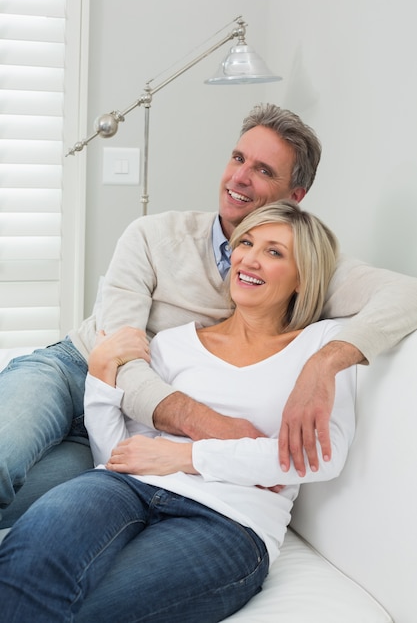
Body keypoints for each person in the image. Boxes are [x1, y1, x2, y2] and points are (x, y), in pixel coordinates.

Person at [0, 103, 417, 526]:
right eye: (238, 158)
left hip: (125, 429)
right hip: (74, 371)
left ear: (295, 198)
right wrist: (215, 426)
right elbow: (122, 359)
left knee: (22, 506)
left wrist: (325, 363)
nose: (239, 177)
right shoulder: (153, 235)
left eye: (264, 170)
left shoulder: (305, 267)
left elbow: (407, 294)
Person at [0, 202, 356, 622]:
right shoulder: (174, 343)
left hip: (228, 520)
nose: (250, 258)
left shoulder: (325, 345)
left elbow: (323, 454)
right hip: (124, 487)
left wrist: (186, 457)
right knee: (25, 564)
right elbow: (116, 453)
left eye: (274, 252)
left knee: (90, 612)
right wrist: (100, 377)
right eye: (246, 242)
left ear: (303, 277)